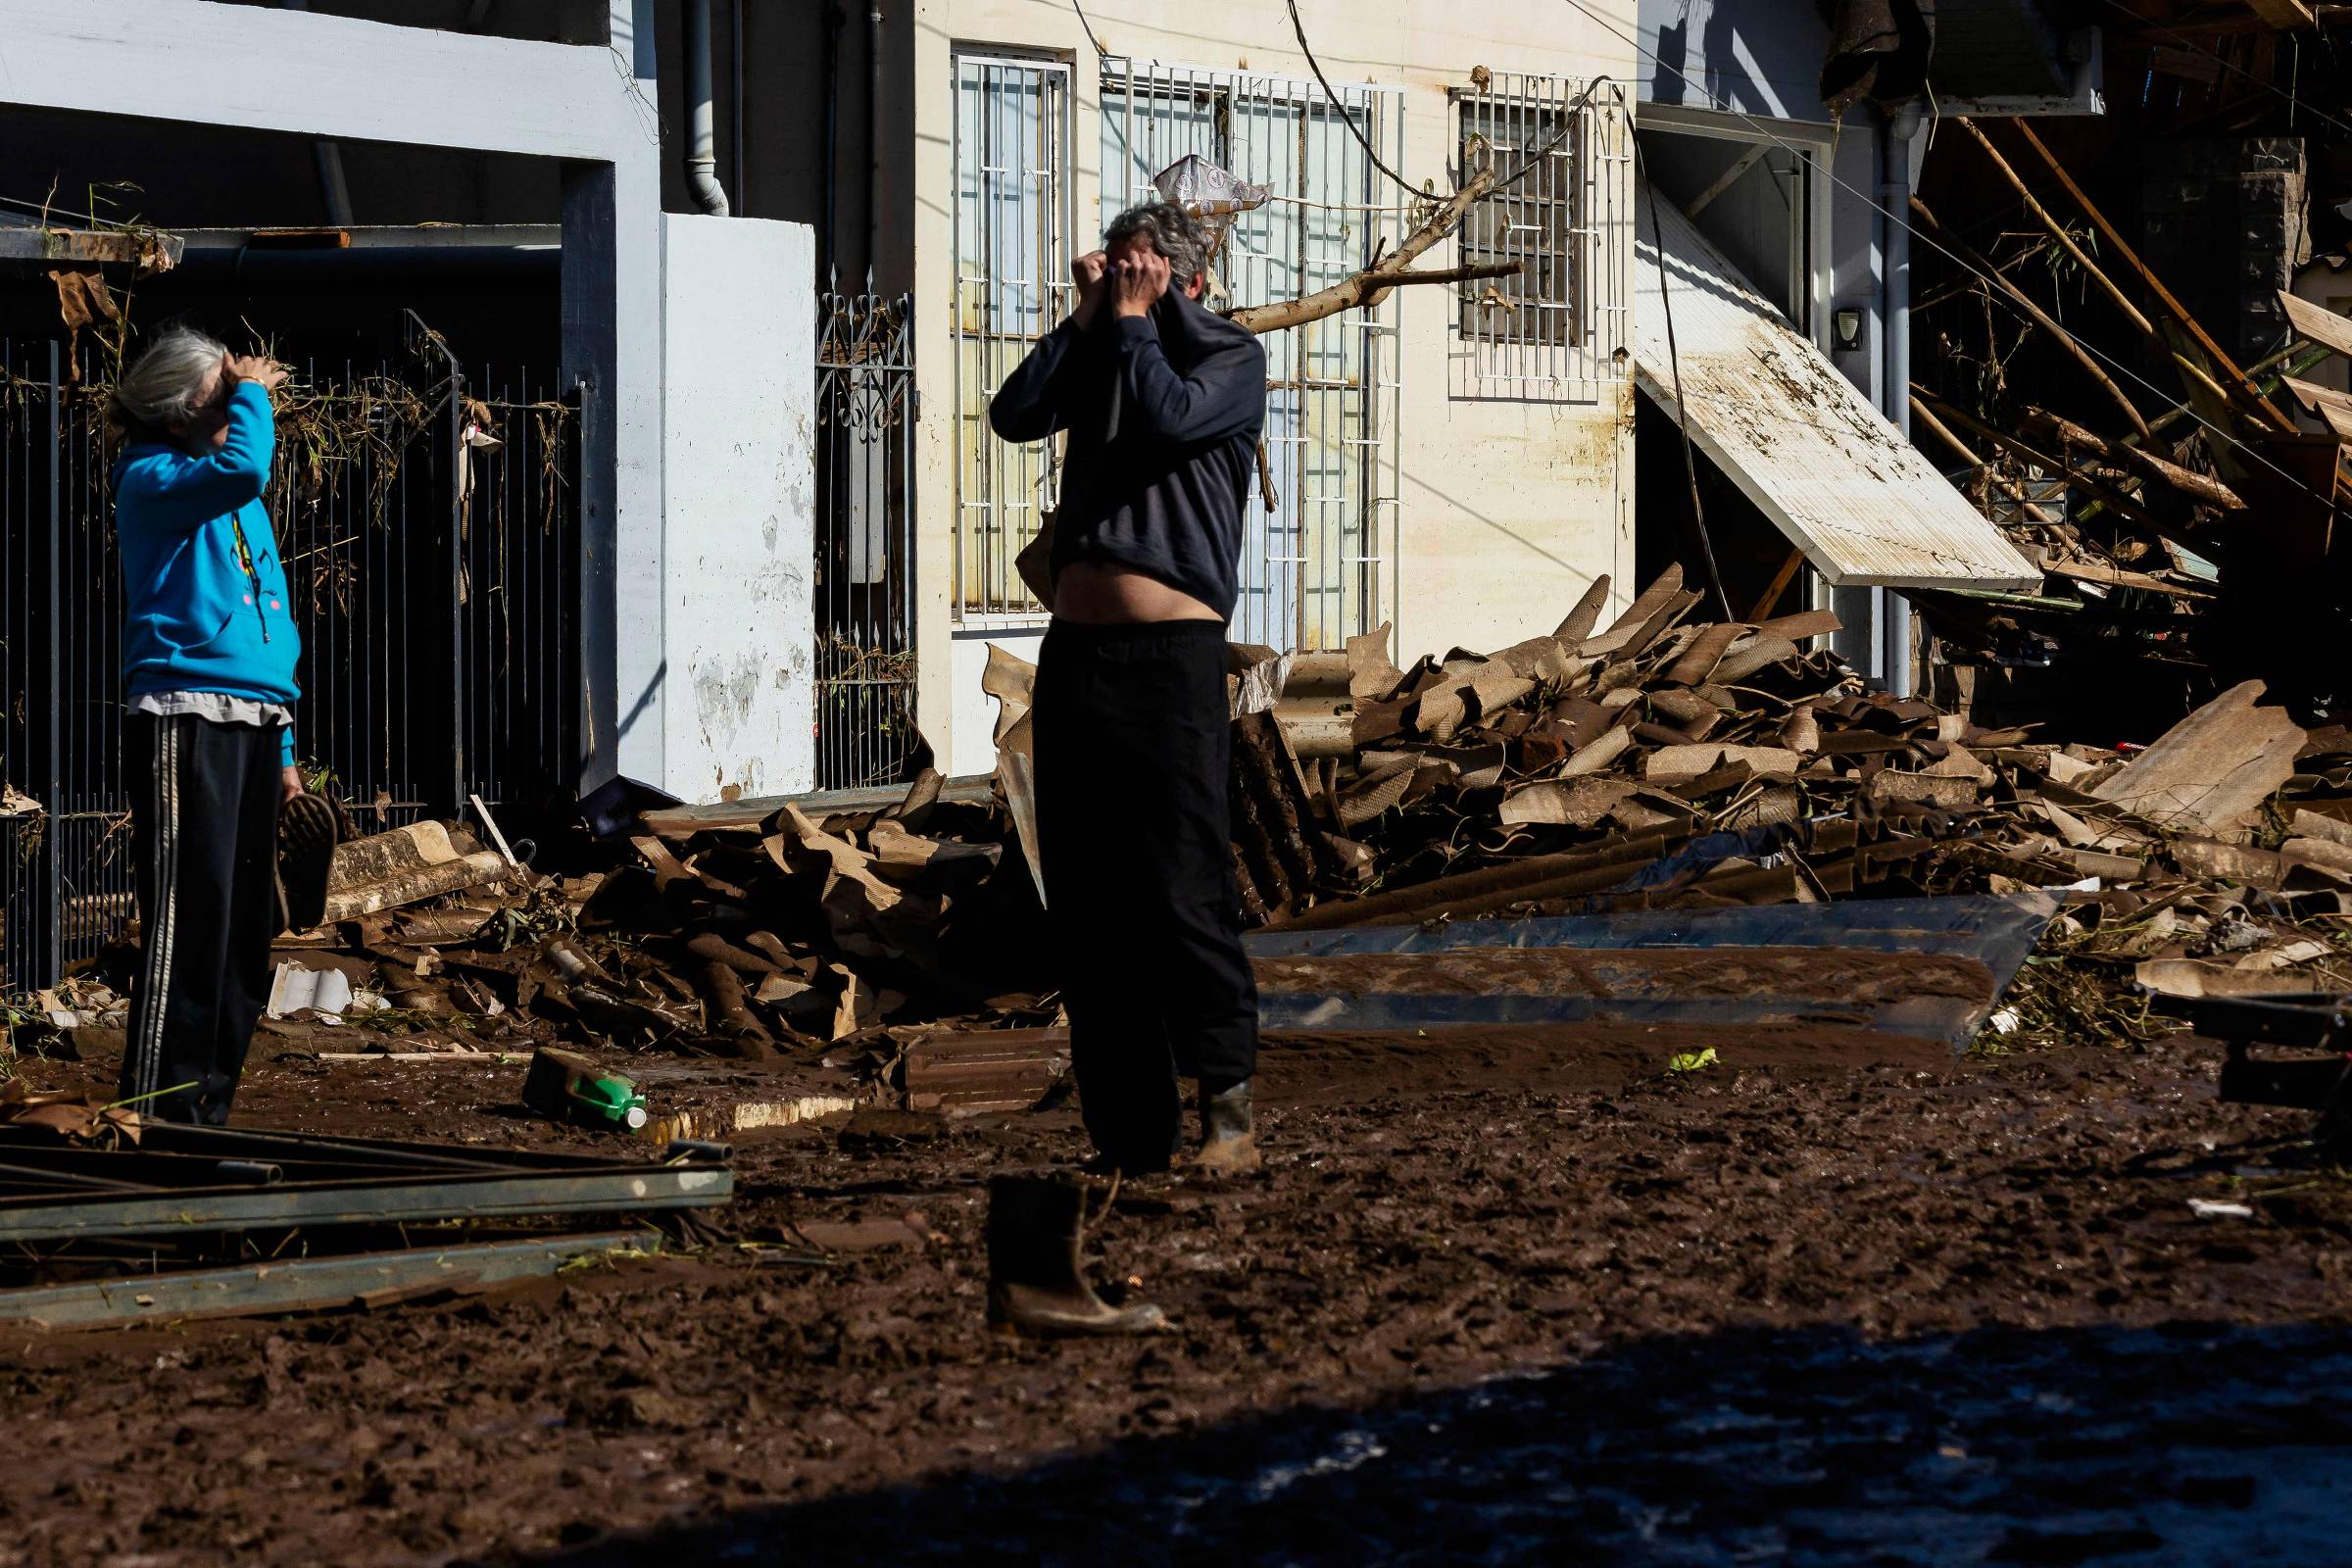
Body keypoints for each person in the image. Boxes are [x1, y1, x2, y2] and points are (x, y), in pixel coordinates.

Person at [988, 201, 1269, 1175]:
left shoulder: (1230, 360)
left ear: (1189, 281)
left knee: (1184, 890)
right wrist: (1085, 318)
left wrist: (1143, 317)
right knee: (1091, 901)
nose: (1128, 290)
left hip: (1172, 667)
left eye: (1148, 272)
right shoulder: (1109, 343)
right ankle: (1131, 1135)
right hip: (1080, 663)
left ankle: (1228, 1118)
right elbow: (1013, 414)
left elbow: (1173, 412)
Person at [111, 327, 322, 1125]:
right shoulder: (153, 475)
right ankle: (154, 1112)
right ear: (175, 413)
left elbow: (268, 624)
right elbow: (247, 466)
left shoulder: (232, 493)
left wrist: (288, 751)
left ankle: (204, 1115)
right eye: (217, 390)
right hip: (183, 714)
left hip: (256, 718)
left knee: (243, 930)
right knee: (189, 918)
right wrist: (257, 388)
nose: (235, 397)